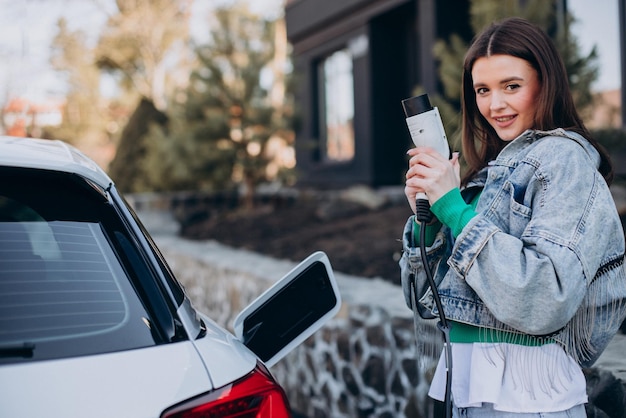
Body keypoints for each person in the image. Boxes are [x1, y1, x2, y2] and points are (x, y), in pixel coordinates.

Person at [400, 17, 626, 417]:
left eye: (512, 86)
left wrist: (454, 208)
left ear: (545, 83)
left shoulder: (564, 162)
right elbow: (423, 302)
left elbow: (544, 298)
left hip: (527, 396)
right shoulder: (489, 173)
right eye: (482, 90)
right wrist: (429, 218)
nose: (495, 105)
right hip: (463, 385)